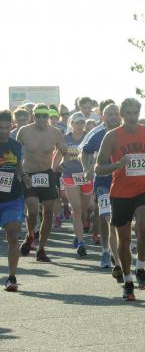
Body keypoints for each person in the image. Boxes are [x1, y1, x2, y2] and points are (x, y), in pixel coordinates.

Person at [95, 98, 145, 301]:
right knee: (124, 239)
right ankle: (128, 279)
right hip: (121, 192)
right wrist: (117, 165)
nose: (132, 117)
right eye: (129, 113)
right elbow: (98, 167)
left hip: (144, 188)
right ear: (122, 115)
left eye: (136, 113)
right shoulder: (112, 136)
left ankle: (141, 267)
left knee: (144, 227)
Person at [16, 103, 69, 262]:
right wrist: (20, 173)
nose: (41, 118)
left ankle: (41, 249)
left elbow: (65, 152)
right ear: (33, 116)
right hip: (29, 174)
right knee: (32, 211)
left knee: (48, 213)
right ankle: (31, 234)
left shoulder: (55, 132)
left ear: (49, 117)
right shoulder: (24, 131)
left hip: (46, 174)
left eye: (44, 115)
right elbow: (16, 154)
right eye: (38, 115)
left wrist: (59, 165)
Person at [81, 104, 122, 270]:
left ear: (120, 116)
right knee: (106, 216)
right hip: (103, 181)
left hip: (123, 182)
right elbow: (85, 151)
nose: (113, 117)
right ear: (103, 117)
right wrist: (86, 169)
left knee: (119, 219)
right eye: (109, 114)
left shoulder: (126, 133)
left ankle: (117, 249)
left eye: (115, 114)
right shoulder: (98, 135)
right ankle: (106, 251)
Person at [54, 112, 93, 258]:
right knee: (76, 209)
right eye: (77, 122)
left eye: (82, 122)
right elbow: (58, 155)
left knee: (84, 209)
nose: (79, 125)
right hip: (70, 176)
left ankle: (79, 232)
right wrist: (53, 169)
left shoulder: (89, 137)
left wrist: (92, 169)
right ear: (71, 124)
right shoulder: (65, 139)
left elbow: (96, 156)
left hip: (86, 177)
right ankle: (81, 242)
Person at [0, 110, 26, 291]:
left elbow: (18, 166)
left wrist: (24, 175)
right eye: (0, 128)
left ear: (12, 126)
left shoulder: (16, 145)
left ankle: (11, 277)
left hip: (13, 197)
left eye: (6, 127)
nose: (3, 131)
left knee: (13, 236)